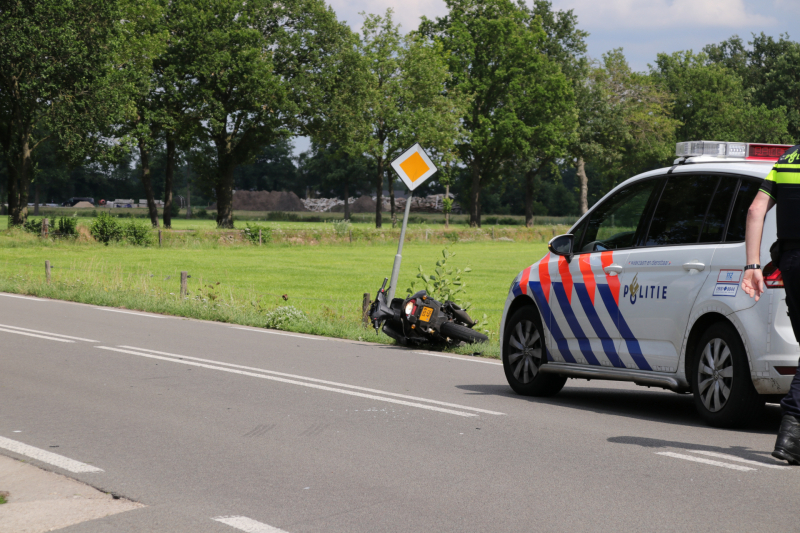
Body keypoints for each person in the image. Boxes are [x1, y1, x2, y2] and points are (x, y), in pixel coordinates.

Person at [742, 143, 800, 465]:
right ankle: (792, 431)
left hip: (791, 262)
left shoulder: (786, 159)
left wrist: (752, 266)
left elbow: (755, 210)